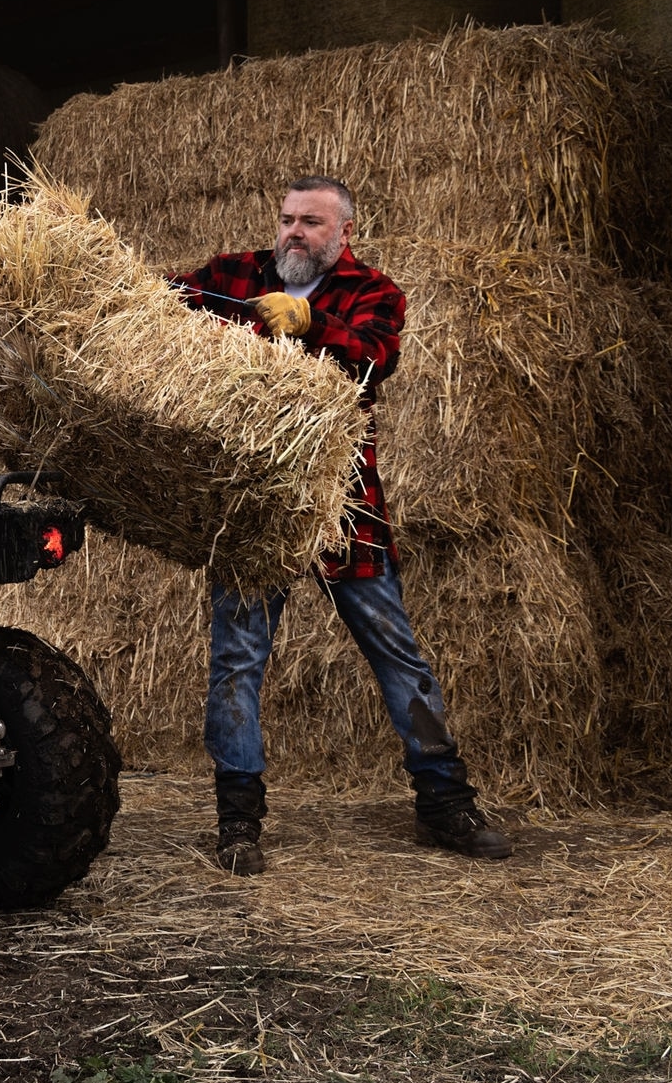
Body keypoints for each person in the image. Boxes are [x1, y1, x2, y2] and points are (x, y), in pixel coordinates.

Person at [169, 175, 512, 875]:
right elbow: (153, 311)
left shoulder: (374, 292)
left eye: (311, 223)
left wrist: (310, 326)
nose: (293, 232)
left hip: (341, 505)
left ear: (342, 232)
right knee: (236, 664)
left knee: (397, 656)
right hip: (252, 505)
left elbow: (374, 356)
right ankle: (239, 821)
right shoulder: (233, 276)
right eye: (288, 219)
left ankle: (446, 802)